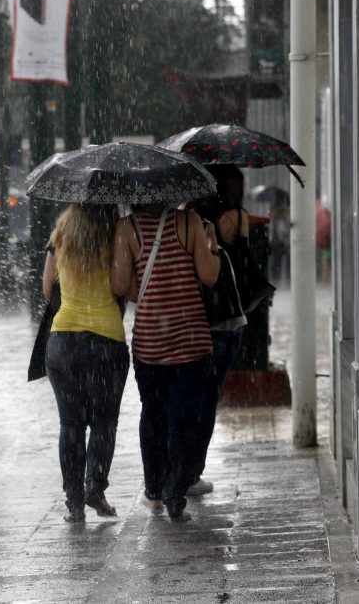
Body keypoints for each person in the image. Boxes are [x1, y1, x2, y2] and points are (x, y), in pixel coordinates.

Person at [111, 203, 220, 523]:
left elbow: (119, 285)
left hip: (150, 343)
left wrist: (148, 293)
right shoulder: (189, 223)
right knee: (184, 418)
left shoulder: (126, 228)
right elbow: (209, 276)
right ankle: (176, 492)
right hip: (190, 339)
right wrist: (211, 243)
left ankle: (155, 490)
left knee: (153, 414)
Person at [41, 204, 130, 523]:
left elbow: (46, 286)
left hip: (63, 341)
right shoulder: (116, 232)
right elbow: (121, 286)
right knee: (104, 423)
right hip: (105, 341)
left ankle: (74, 503)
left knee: (71, 424)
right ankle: (96, 487)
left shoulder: (61, 232)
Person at [187, 166, 251, 497]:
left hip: (195, 317)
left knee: (189, 396)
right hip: (228, 318)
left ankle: (181, 466)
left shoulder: (191, 219)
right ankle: (193, 469)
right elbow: (244, 263)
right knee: (209, 399)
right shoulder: (237, 218)